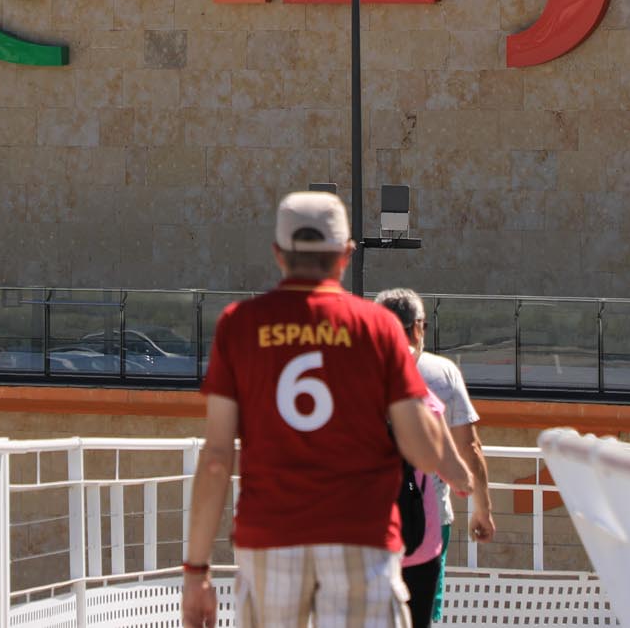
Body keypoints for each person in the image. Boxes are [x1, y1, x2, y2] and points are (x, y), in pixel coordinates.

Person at [183, 192, 474, 628]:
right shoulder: (377, 328)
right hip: (362, 540)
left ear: (278, 254)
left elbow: (216, 459)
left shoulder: (239, 325)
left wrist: (197, 571)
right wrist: (455, 467)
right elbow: (420, 447)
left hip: (271, 541)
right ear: (345, 254)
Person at [372, 289, 496, 624]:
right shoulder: (436, 378)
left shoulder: (346, 376)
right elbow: (466, 450)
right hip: (423, 526)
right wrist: (480, 505)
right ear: (418, 329)